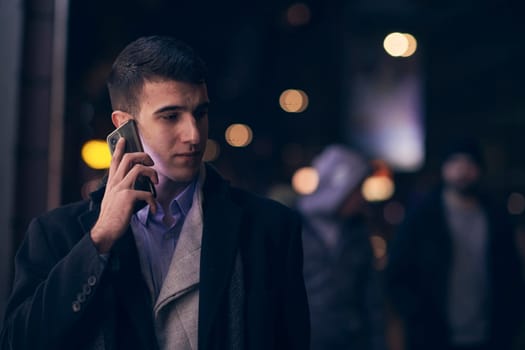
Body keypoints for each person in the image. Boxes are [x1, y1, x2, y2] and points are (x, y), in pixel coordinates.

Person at [0, 35, 310, 350]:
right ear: (124, 126)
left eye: (200, 113)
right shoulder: (56, 233)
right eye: (170, 116)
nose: (193, 135)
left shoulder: (270, 228)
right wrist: (100, 240)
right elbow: (19, 342)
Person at [386, 138, 524, 350]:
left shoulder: (495, 217)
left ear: (479, 169)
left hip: (489, 335)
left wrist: (509, 322)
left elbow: (510, 273)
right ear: (444, 168)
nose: (462, 170)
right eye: (455, 162)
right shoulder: (423, 217)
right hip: (433, 335)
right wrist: (417, 313)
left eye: (469, 163)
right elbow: (398, 271)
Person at [297, 144, 386, 350]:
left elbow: (371, 299)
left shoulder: (358, 233)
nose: (362, 198)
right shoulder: (294, 229)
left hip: (350, 341)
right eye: (357, 190)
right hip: (307, 341)